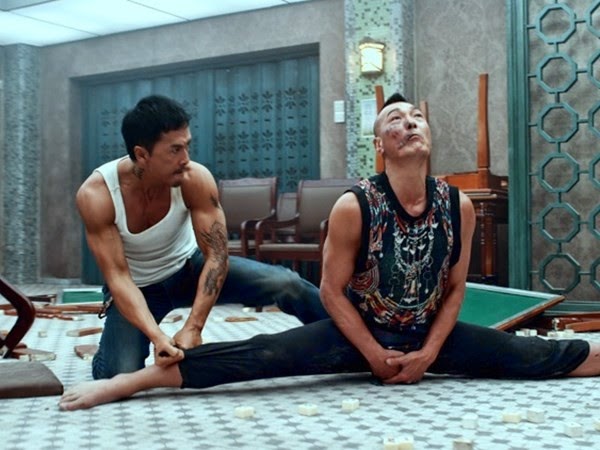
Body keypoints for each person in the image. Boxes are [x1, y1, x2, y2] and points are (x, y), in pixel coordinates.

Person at [60, 94, 600, 410]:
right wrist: (369, 350)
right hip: (144, 287)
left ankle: (338, 342)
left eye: (416, 116)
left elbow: (456, 286)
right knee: (260, 355)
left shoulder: (456, 205)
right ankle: (129, 378)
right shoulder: (355, 205)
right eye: (395, 120)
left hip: (414, 333)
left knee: (529, 355)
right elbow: (120, 278)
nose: (409, 123)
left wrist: (428, 354)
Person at [76, 94, 327, 380]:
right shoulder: (97, 195)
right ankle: (108, 350)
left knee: (287, 284)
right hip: (138, 286)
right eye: (174, 150)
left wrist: (194, 327)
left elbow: (217, 256)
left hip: (189, 269)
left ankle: (350, 335)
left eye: (187, 146)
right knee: (116, 373)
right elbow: (118, 277)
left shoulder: (194, 178)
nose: (186, 159)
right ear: (142, 154)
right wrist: (158, 337)